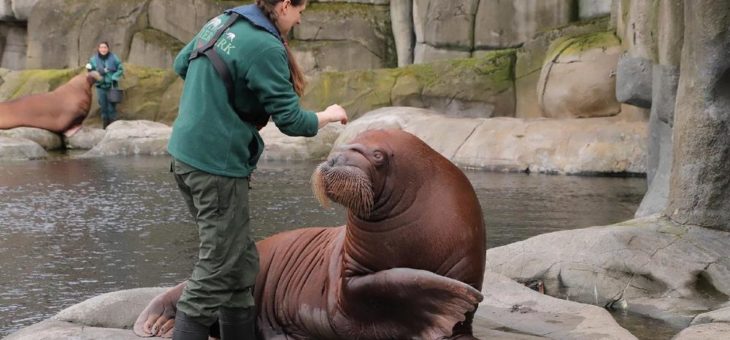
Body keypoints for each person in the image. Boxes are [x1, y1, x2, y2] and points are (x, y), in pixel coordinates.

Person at [167, 0, 348, 339]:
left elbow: (182, 64)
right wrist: (329, 114)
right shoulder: (265, 45)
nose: (299, 18)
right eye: (299, 10)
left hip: (185, 155)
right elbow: (293, 121)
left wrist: (215, 99)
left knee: (239, 263)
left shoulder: (223, 21)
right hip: (215, 165)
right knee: (218, 265)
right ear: (283, 6)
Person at [86, 41, 124, 129]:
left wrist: (114, 77)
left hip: (112, 86)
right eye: (101, 47)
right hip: (100, 86)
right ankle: (105, 128)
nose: (103, 49)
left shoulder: (114, 57)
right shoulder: (93, 59)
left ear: (108, 48)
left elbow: (120, 68)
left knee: (111, 108)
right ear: (98, 49)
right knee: (103, 108)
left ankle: (113, 129)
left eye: (105, 47)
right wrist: (99, 71)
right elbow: (90, 71)